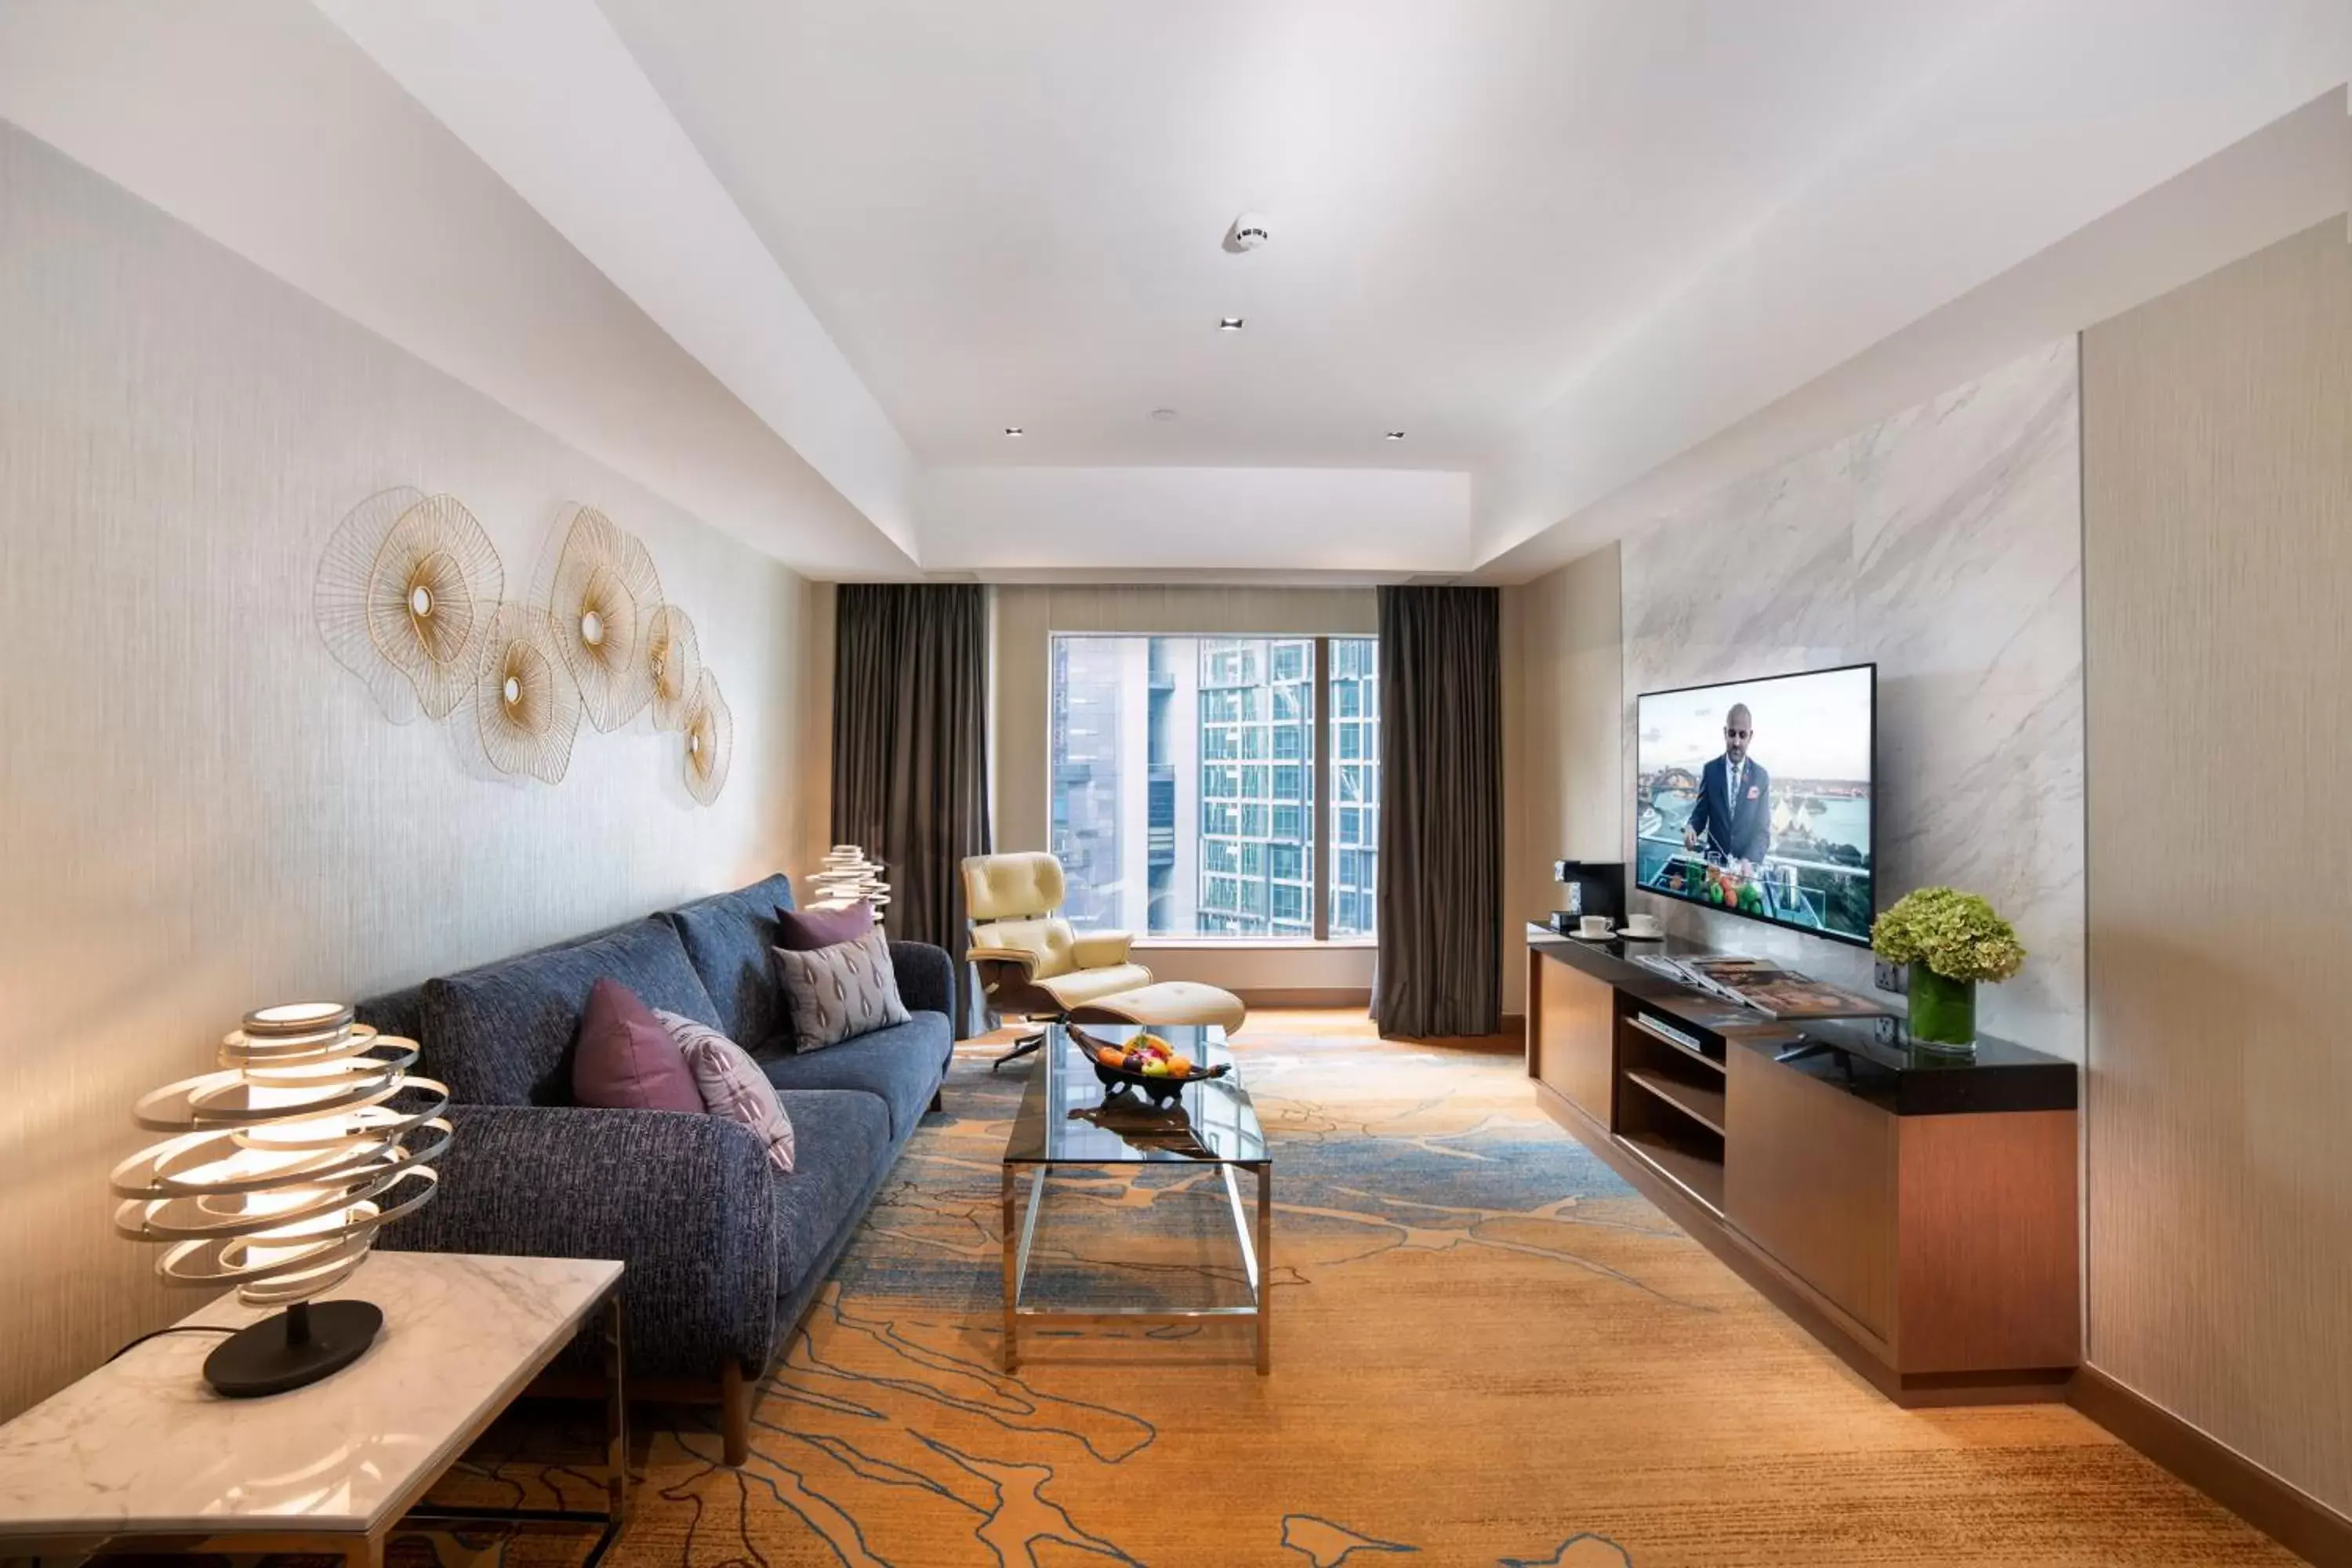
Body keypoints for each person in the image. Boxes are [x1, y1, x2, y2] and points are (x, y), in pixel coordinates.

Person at [1682, 702, 1772, 866]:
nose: (1737, 742)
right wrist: (1691, 827)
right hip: (1714, 867)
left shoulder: (1761, 777)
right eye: (1732, 734)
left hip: (1744, 873)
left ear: (1750, 736)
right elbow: (1700, 814)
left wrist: (1748, 861)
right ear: (1725, 733)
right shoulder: (1710, 771)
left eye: (1742, 735)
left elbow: (1763, 833)